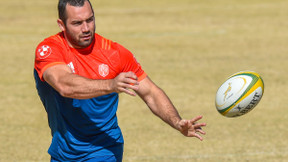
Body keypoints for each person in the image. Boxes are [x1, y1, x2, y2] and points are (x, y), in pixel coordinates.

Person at [34, 0, 206, 161]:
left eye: (90, 20)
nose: (86, 28)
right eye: (77, 23)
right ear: (61, 25)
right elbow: (64, 84)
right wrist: (110, 84)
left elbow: (151, 93)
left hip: (104, 149)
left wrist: (177, 122)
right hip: (62, 151)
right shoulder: (50, 50)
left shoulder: (115, 54)